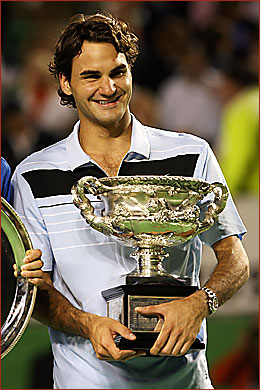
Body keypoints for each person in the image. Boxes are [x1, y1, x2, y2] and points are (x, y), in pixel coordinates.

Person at [10, 12, 249, 389]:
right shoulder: (33, 175)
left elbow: (235, 259)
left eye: (118, 72)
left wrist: (200, 303)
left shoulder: (191, 155)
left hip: (184, 382)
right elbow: (34, 290)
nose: (108, 88)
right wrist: (88, 325)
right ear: (65, 83)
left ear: (131, 73)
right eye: (91, 76)